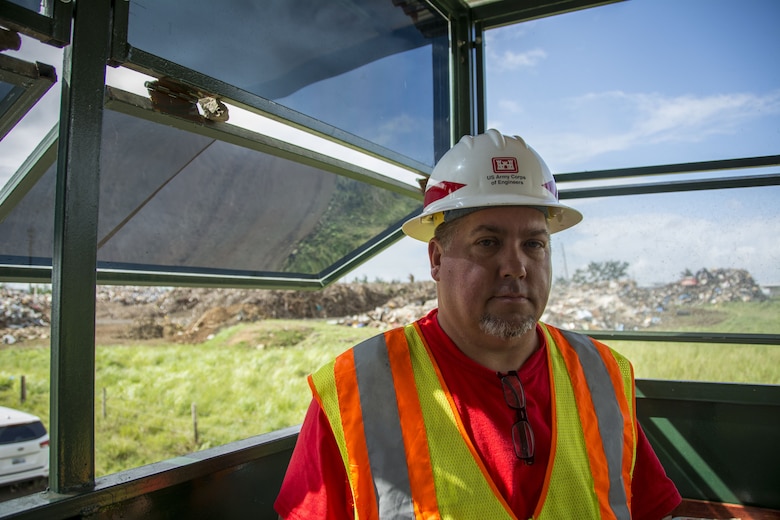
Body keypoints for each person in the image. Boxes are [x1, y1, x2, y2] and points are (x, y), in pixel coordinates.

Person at [274, 129, 682, 519]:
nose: (516, 267)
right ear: (436, 259)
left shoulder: (602, 376)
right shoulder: (355, 392)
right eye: (488, 242)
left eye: (534, 244)